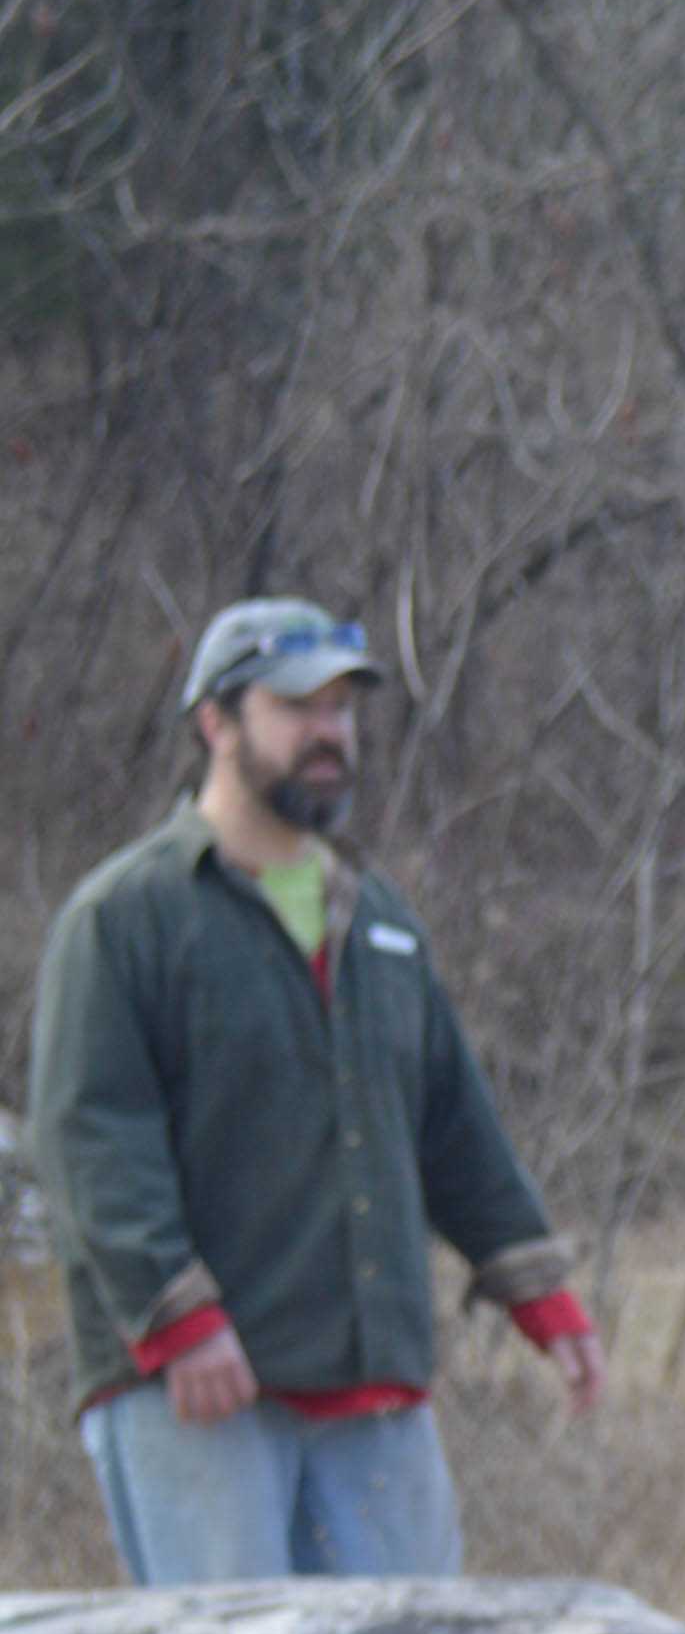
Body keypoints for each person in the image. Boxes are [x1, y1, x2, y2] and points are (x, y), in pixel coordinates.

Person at [26, 600, 608, 1583]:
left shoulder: (378, 920)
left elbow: (451, 1123)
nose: (330, 731)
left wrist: (539, 1292)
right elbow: (91, 1135)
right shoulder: (127, 917)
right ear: (217, 722)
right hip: (203, 1394)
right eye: (297, 707)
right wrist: (178, 1320)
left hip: (375, 1390)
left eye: (341, 707)